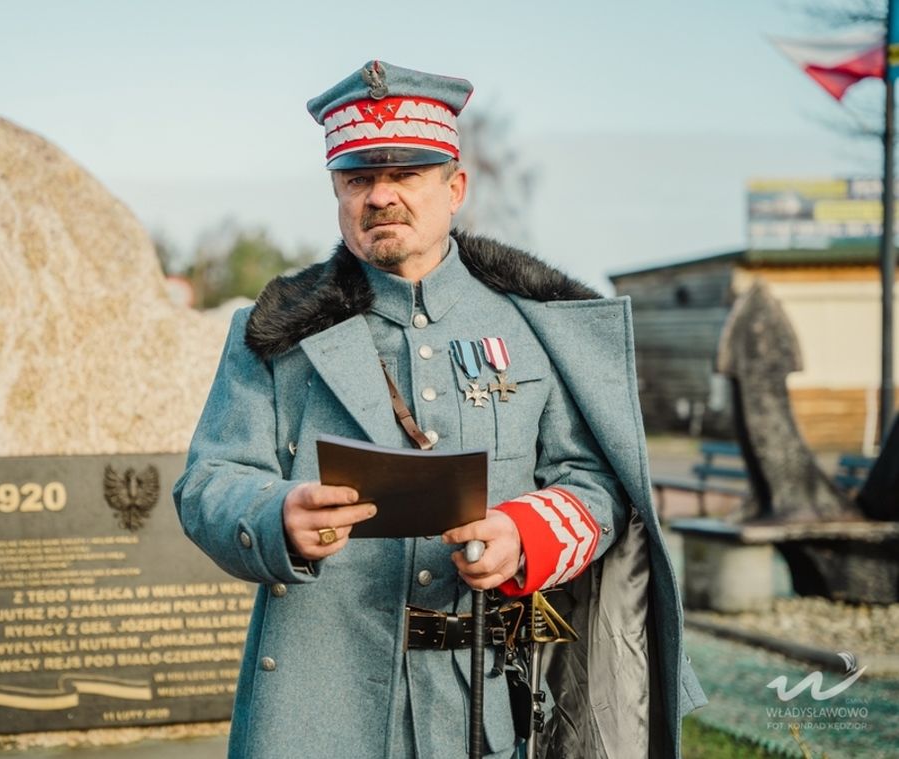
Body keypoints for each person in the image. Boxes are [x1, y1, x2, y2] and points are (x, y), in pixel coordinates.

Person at [174, 59, 705, 759]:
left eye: (406, 175)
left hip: (490, 704)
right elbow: (205, 484)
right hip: (319, 703)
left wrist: (524, 533)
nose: (380, 196)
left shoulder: (539, 325)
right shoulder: (276, 332)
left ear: (454, 187)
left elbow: (597, 485)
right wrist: (277, 516)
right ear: (336, 190)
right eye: (359, 178)